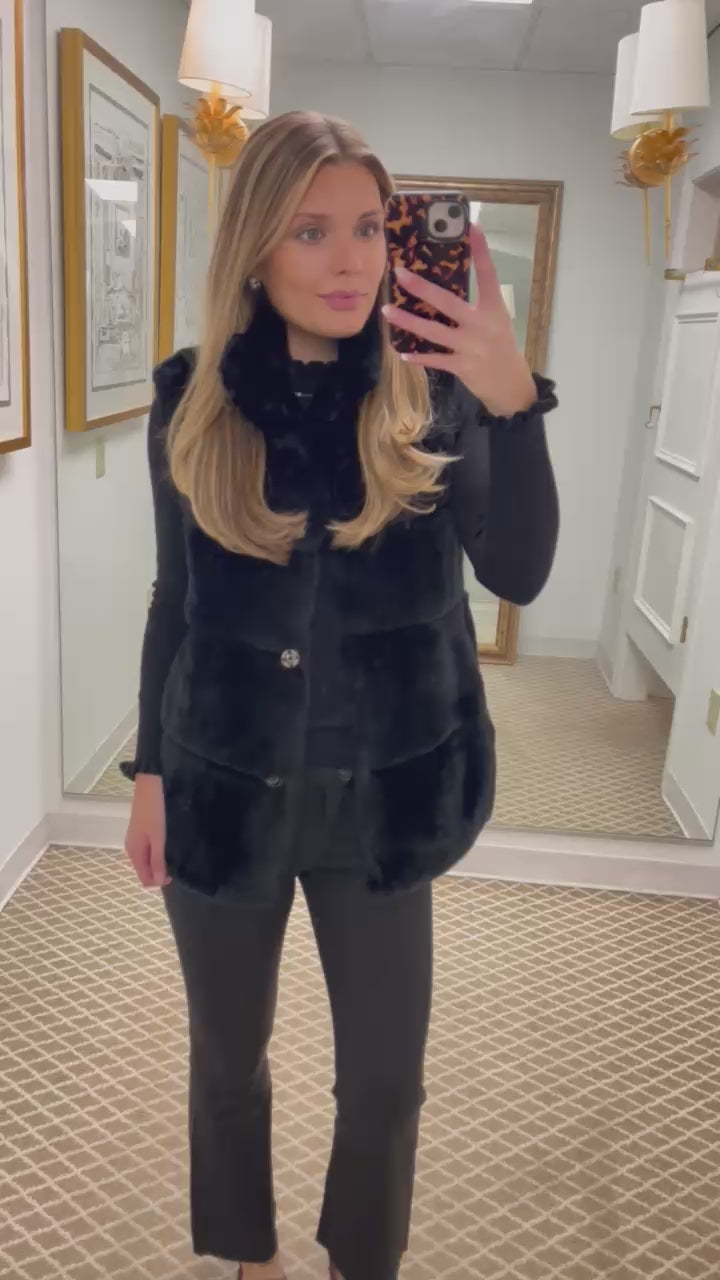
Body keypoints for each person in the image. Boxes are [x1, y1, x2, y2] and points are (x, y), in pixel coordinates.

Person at [123, 110, 559, 1280]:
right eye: (311, 230)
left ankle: (361, 1258)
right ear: (256, 246)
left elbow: (519, 572)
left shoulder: (437, 395)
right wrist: (150, 771)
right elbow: (175, 599)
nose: (352, 258)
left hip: (385, 800)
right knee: (227, 1060)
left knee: (384, 1078)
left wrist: (515, 404)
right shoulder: (193, 399)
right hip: (222, 783)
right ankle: (247, 1255)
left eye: (369, 226)